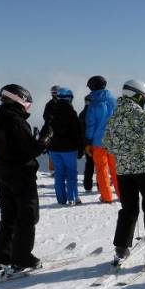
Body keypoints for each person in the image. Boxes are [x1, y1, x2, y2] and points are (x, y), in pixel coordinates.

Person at [0, 84, 53, 273]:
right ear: (19, 99)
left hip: (2, 172)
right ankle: (21, 258)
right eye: (27, 104)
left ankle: (3, 257)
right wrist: (46, 136)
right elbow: (33, 149)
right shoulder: (15, 120)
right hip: (21, 174)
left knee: (8, 216)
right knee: (28, 216)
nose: (27, 108)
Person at [103, 80, 145, 263]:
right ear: (138, 95)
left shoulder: (114, 115)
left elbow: (107, 144)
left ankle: (121, 248)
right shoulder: (139, 113)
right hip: (144, 168)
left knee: (129, 209)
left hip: (123, 170)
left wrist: (124, 148)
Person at [45, 87, 83, 205]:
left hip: (54, 149)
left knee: (59, 173)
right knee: (71, 173)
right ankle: (72, 198)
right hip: (69, 149)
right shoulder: (72, 113)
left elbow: (47, 129)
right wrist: (80, 148)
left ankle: (61, 199)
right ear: (69, 98)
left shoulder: (51, 111)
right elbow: (77, 133)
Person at [84, 75, 119, 203]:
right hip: (114, 142)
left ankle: (106, 197)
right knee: (116, 170)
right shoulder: (115, 101)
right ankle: (121, 195)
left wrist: (88, 141)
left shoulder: (93, 105)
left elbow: (91, 125)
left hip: (98, 143)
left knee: (101, 170)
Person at [78, 94, 94, 192]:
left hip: (86, 143)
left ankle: (87, 185)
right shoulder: (95, 112)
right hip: (97, 142)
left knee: (89, 164)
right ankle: (102, 185)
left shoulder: (82, 114)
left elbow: (80, 131)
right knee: (101, 166)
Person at [43, 85, 60, 174]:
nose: (55, 94)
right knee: (54, 149)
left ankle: (56, 170)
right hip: (55, 130)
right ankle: (55, 170)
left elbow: (45, 116)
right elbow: (45, 116)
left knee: (54, 149)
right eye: (54, 93)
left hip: (55, 130)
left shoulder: (50, 104)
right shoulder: (51, 104)